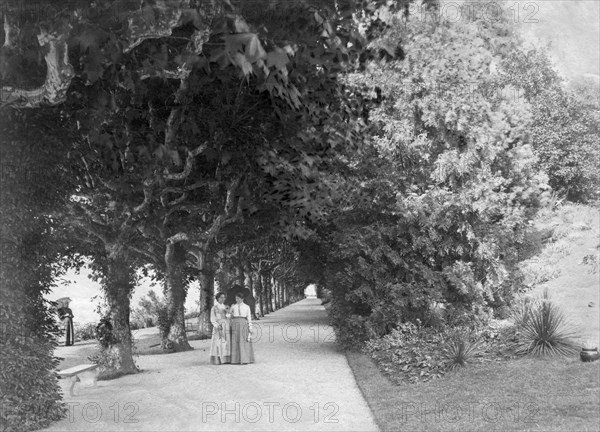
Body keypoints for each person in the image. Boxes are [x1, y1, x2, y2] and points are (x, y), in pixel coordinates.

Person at [230, 291, 255, 365]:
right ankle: (235, 360)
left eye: (238, 298)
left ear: (242, 299)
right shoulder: (233, 306)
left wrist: (250, 327)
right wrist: (230, 311)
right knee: (235, 341)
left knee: (244, 341)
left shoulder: (247, 307)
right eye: (236, 298)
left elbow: (249, 318)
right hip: (235, 324)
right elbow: (229, 317)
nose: (237, 300)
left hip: (244, 324)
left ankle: (245, 359)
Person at [209, 292, 231, 365]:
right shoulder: (214, 307)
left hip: (226, 325)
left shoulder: (226, 306)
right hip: (218, 326)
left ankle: (225, 359)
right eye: (221, 297)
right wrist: (217, 325)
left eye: (224, 297)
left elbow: (228, 317)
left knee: (226, 341)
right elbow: (212, 318)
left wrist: (228, 312)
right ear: (217, 298)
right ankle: (217, 359)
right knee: (218, 341)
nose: (222, 299)